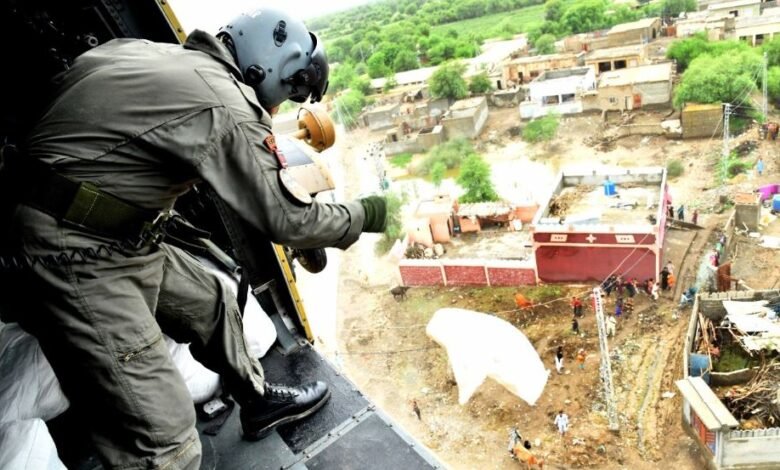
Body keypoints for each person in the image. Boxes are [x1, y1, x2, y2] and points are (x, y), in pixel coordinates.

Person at [3, 8, 388, 469]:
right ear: (269, 66)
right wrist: (373, 213)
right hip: (73, 249)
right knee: (166, 443)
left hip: (106, 232)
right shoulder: (223, 101)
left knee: (212, 302)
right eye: (290, 90)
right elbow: (288, 222)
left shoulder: (146, 53)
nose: (280, 107)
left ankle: (259, 400)